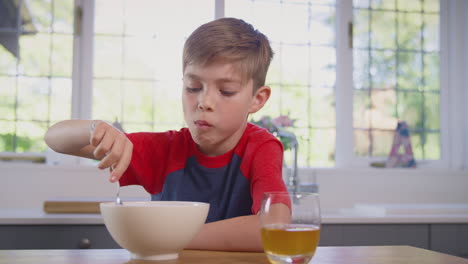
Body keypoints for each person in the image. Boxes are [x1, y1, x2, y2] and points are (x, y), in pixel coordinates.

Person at [44, 17, 287, 252]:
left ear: (257, 99)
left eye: (226, 91)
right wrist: (94, 129)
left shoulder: (261, 147)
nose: (204, 102)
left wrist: (167, 237)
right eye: (193, 87)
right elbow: (54, 138)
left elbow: (274, 227)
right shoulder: (166, 149)